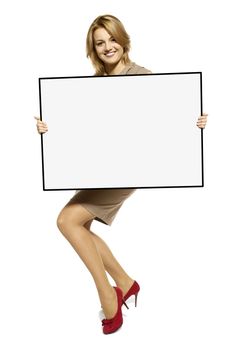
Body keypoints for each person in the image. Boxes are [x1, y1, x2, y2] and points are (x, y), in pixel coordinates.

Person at [34, 14, 208, 334]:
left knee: (66, 220)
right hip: (102, 169)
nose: (107, 47)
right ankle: (126, 283)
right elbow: (87, 132)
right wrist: (51, 129)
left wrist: (191, 122)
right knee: (78, 224)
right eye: (100, 43)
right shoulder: (95, 84)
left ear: (123, 40)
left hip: (127, 171)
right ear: (94, 50)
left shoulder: (141, 75)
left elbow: (166, 119)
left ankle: (109, 297)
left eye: (112, 39)